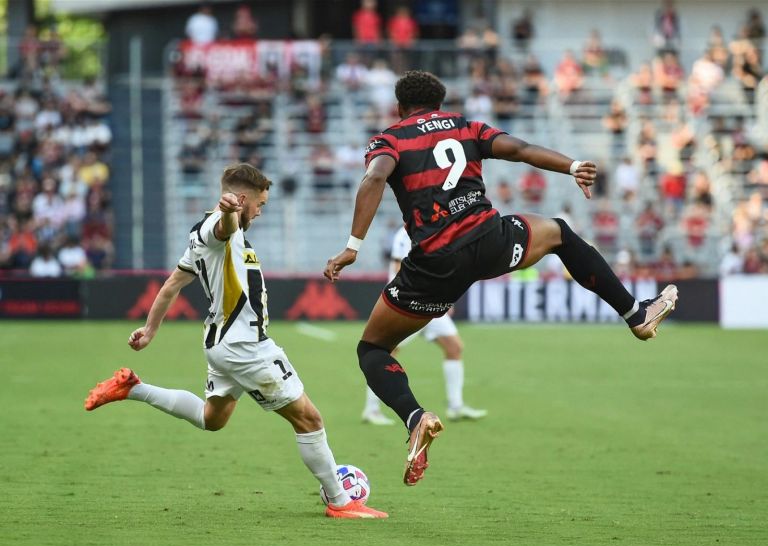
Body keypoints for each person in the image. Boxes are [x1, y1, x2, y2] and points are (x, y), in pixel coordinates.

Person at [323, 70, 678, 487]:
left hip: (435, 264)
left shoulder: (391, 138)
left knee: (373, 349)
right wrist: (573, 165)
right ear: (440, 101)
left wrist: (353, 245)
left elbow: (375, 177)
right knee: (560, 233)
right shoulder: (464, 125)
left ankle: (416, 417)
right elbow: (520, 149)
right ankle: (635, 313)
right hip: (490, 240)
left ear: (399, 107)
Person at [84, 163, 387, 520]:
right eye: (259, 204)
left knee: (211, 418)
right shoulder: (219, 227)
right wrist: (228, 213)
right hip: (245, 347)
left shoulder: (201, 235)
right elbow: (224, 226)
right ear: (242, 199)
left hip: (222, 344)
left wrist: (150, 331)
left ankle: (133, 388)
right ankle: (340, 502)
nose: (260, 212)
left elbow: (171, 286)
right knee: (309, 419)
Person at [361, 225, 487, 426]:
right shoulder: (405, 235)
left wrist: (444, 296)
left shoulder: (434, 231)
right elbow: (397, 268)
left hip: (431, 304)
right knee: (386, 353)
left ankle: (455, 406)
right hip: (408, 304)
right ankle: (371, 409)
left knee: (454, 347)